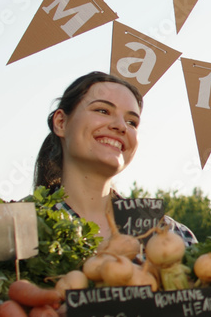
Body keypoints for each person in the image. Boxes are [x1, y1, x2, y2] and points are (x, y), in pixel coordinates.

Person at [34, 72, 196, 245]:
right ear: (61, 122)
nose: (121, 126)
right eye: (103, 110)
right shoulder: (18, 228)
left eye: (132, 122)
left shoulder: (171, 235)